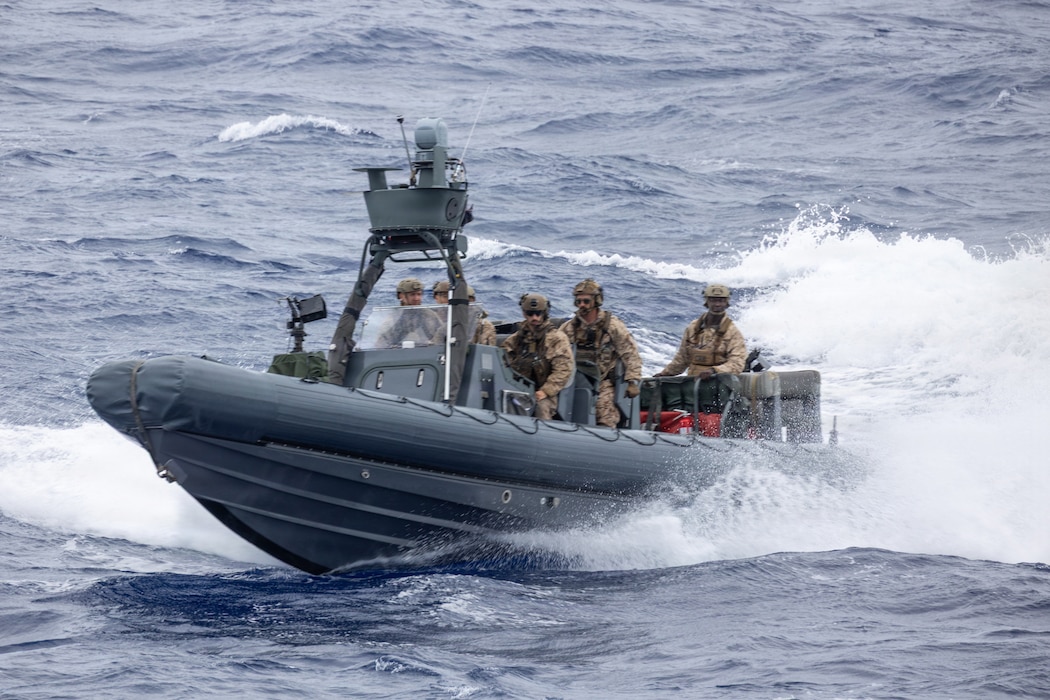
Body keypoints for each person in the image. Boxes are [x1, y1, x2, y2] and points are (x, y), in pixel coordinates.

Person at [558, 279, 642, 428]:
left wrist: (633, 381)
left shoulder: (612, 326)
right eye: (578, 301)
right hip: (574, 379)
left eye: (586, 301)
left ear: (596, 301)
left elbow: (631, 353)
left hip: (603, 381)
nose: (582, 305)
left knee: (605, 410)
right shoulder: (569, 328)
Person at [501, 293, 573, 420]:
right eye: (530, 314)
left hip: (545, 392)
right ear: (524, 313)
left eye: (538, 314)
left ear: (544, 313)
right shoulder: (516, 339)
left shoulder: (557, 339)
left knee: (541, 408)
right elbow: (503, 360)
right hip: (519, 388)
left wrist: (545, 391)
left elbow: (563, 370)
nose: (534, 318)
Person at [655, 283, 747, 379]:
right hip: (692, 382)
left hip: (719, 383)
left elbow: (737, 363)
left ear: (727, 302)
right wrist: (664, 374)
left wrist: (714, 371)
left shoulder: (732, 332)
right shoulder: (693, 328)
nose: (717, 304)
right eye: (713, 300)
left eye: (721, 301)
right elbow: (682, 359)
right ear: (706, 302)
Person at [375, 277, 445, 347]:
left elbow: (442, 336)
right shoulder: (394, 318)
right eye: (412, 295)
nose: (416, 298)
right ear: (401, 296)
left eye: (419, 294)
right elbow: (381, 344)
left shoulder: (429, 315)